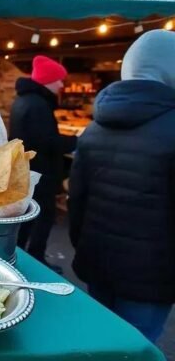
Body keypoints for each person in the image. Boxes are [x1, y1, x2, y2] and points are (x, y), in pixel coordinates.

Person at [69, 31, 175, 343]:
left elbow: (77, 201)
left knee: (101, 342)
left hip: (97, 263)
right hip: (152, 277)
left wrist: (85, 247)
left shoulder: (93, 128)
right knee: (135, 348)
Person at [9, 55, 75, 270]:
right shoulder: (38, 104)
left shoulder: (23, 100)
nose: (62, 84)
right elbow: (48, 142)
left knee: (27, 216)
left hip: (28, 170)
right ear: (48, 80)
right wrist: (76, 141)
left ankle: (18, 256)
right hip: (41, 173)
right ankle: (37, 261)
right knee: (43, 217)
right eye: (59, 79)